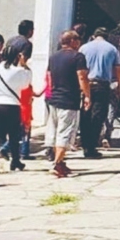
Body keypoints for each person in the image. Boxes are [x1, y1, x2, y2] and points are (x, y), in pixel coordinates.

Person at [0, 44, 32, 173]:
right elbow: (26, 85)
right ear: (17, 56)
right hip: (12, 105)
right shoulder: (20, 71)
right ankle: (15, 161)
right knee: (14, 134)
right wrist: (24, 65)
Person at [46, 31, 90, 177]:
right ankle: (57, 163)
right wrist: (87, 96)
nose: (79, 42)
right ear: (72, 41)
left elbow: (49, 77)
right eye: (78, 39)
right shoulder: (78, 57)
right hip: (69, 99)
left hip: (54, 98)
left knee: (54, 131)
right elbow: (82, 77)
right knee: (65, 132)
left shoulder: (53, 57)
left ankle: (60, 161)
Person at [79, 27, 120, 159]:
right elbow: (118, 69)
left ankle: (85, 144)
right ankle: (92, 146)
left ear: (94, 36)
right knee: (98, 116)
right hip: (102, 85)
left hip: (86, 84)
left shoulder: (83, 48)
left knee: (85, 115)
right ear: (107, 36)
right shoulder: (112, 49)